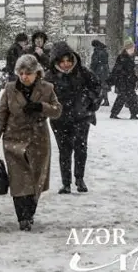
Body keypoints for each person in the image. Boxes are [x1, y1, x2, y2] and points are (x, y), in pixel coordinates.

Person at [0, 54, 62, 231]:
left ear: (37, 73)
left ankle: (30, 212)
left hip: (38, 140)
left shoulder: (47, 88)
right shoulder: (10, 89)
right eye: (21, 73)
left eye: (28, 73)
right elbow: (1, 115)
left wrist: (41, 107)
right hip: (13, 139)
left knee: (36, 179)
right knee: (18, 180)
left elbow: (57, 111)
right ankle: (22, 216)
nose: (24, 77)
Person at [45, 42, 102, 194]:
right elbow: (42, 96)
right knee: (64, 150)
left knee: (81, 148)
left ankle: (79, 178)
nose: (66, 64)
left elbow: (97, 87)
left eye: (68, 60)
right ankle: (66, 182)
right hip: (59, 119)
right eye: (62, 61)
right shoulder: (49, 77)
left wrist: (89, 101)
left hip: (81, 116)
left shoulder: (83, 72)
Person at [108, 38, 138, 119]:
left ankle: (132, 114)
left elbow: (130, 70)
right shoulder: (122, 57)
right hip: (123, 81)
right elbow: (118, 70)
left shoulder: (130, 56)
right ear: (127, 48)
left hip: (128, 81)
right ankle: (117, 114)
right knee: (125, 97)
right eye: (131, 48)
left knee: (128, 97)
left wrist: (133, 76)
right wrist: (125, 76)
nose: (133, 49)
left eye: (133, 47)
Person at [90, 39, 111, 106]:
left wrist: (91, 69)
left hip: (99, 70)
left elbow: (95, 62)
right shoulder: (104, 50)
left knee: (99, 86)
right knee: (103, 85)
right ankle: (105, 100)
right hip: (105, 70)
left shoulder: (97, 51)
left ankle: (102, 100)